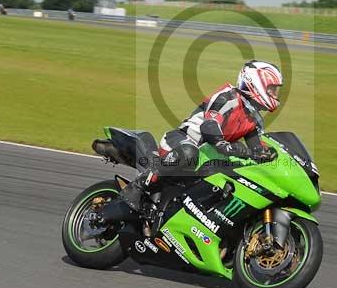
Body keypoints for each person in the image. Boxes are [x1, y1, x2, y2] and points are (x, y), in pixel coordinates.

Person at [101, 60, 283, 224]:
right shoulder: (228, 97)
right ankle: (136, 187)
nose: (275, 94)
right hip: (181, 141)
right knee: (189, 154)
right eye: (272, 89)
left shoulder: (254, 120)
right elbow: (210, 125)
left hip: (208, 156)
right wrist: (224, 145)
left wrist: (270, 157)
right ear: (255, 83)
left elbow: (258, 149)